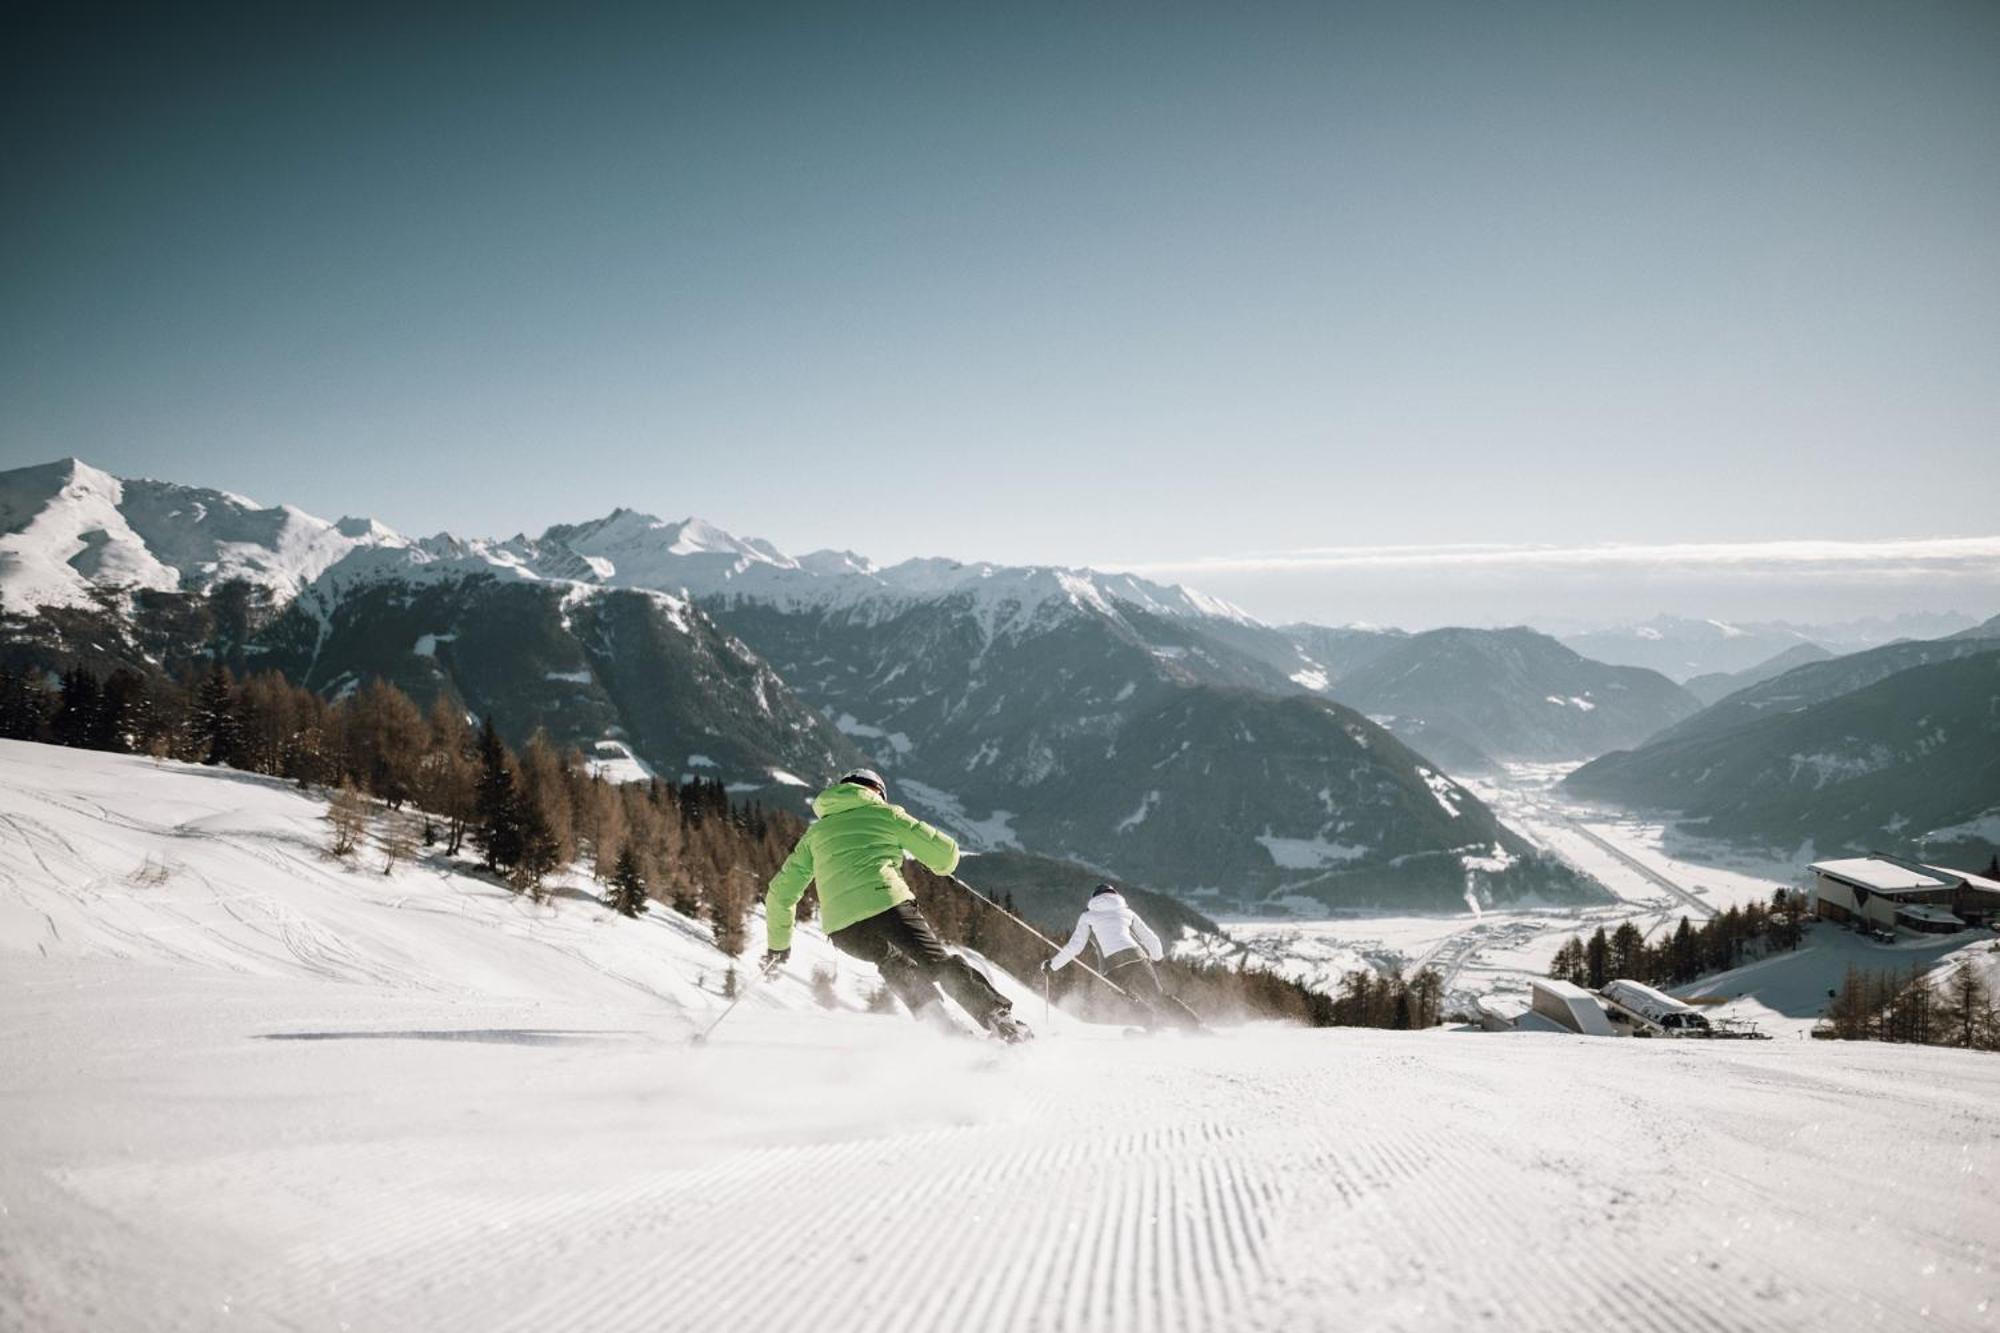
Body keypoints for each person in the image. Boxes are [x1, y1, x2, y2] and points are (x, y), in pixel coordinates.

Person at [763, 768, 1031, 1043]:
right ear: (876, 791)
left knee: (891, 962)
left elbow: (780, 893)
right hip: (887, 905)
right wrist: (939, 864)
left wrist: (778, 946)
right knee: (936, 962)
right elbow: (947, 854)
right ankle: (999, 1019)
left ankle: (942, 1026)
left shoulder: (815, 834)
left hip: (842, 928)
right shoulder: (885, 814)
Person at [1045, 883, 1201, 1030]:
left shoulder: (1087, 917)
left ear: (1093, 899)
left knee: (1128, 997)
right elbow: (1150, 938)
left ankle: (1150, 1025)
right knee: (1157, 996)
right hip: (1136, 956)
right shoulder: (1127, 913)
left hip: (1111, 966)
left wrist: (1052, 965)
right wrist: (1157, 958)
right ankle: (1195, 1026)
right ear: (1116, 896)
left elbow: (1075, 947)